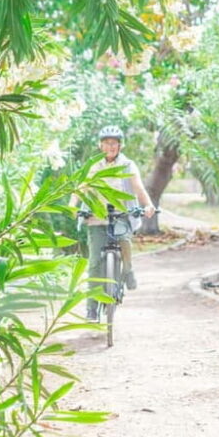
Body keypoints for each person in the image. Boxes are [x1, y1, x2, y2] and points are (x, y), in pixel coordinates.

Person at [72, 126, 156, 321]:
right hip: (96, 217)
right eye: (106, 143)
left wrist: (148, 205)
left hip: (120, 216)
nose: (110, 146)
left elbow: (138, 188)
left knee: (125, 242)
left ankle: (128, 270)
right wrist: (72, 206)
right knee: (94, 263)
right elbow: (81, 188)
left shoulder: (127, 165)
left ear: (120, 145)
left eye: (114, 143)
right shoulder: (94, 166)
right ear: (100, 145)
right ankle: (92, 309)